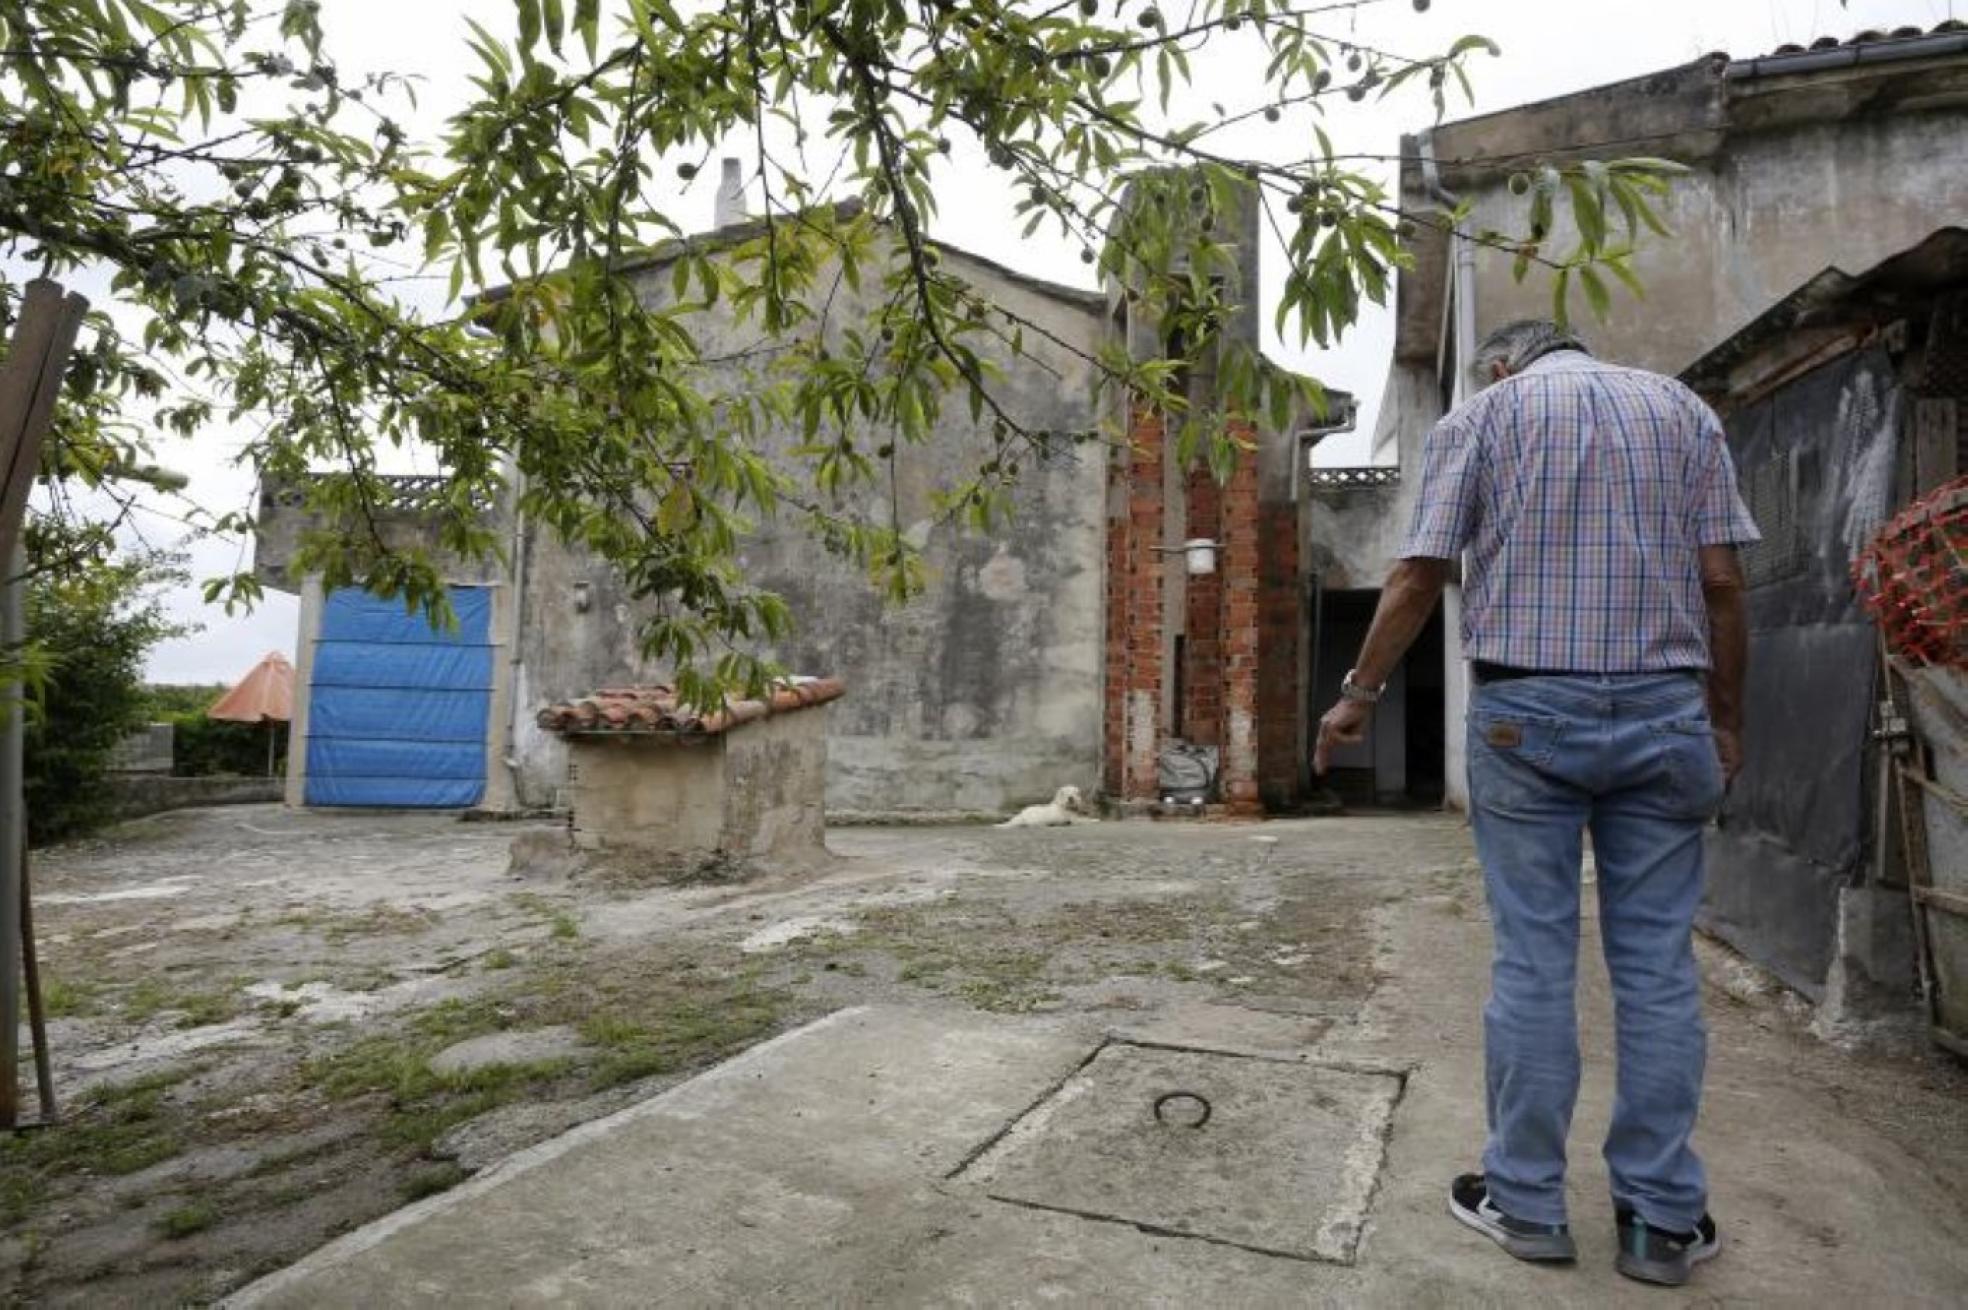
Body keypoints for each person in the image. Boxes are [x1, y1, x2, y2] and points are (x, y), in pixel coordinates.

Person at [1313, 319, 1759, 1288]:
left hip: (1526, 713)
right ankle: (1660, 1221)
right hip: (1664, 708)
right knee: (1657, 968)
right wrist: (1725, 719)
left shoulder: (1483, 416)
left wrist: (1359, 692)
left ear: (1505, 363)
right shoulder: (1684, 411)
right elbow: (1723, 583)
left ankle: (1526, 1200)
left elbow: (1418, 575)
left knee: (1534, 960)